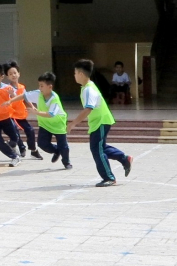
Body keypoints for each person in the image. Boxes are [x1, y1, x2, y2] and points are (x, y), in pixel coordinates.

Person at [67, 58, 132, 187]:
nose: (74, 76)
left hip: (101, 121)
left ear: (80, 73)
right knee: (99, 148)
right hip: (98, 122)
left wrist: (73, 123)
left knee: (97, 149)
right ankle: (124, 158)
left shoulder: (88, 89)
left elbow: (88, 109)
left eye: (75, 73)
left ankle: (109, 177)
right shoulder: (86, 87)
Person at [9, 72, 71, 169]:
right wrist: (10, 101)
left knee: (63, 146)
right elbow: (24, 96)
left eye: (42, 86)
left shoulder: (54, 99)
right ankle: (56, 150)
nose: (40, 88)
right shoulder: (38, 94)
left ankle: (66, 162)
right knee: (42, 144)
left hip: (58, 124)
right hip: (45, 124)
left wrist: (36, 112)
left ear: (50, 87)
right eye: (39, 85)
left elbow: (51, 114)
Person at [5, 61, 42, 160]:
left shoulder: (22, 87)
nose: (13, 75)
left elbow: (26, 98)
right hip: (12, 115)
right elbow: (11, 100)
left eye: (14, 73)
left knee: (30, 130)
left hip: (21, 114)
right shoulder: (7, 88)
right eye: (10, 74)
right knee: (15, 133)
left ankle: (32, 150)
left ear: (19, 74)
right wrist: (12, 95)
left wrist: (32, 107)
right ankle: (21, 148)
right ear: (7, 76)